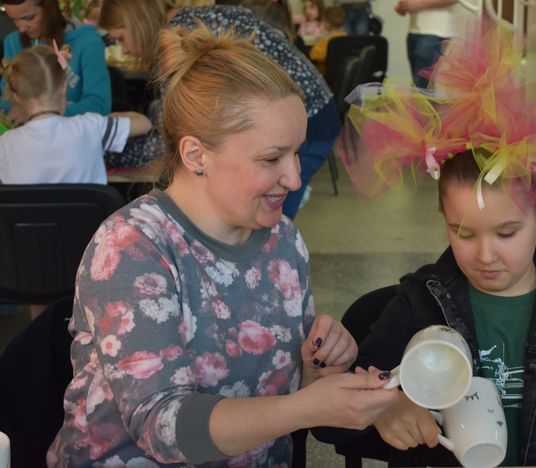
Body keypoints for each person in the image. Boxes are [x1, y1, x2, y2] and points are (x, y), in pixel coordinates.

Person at [318, 23, 536, 466]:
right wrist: (385, 409)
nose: (485, 256)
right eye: (463, 233)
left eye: (506, 233)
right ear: (443, 218)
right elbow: (328, 427)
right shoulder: (418, 303)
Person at [47, 26, 398, 467]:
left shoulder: (283, 240)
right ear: (196, 155)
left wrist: (315, 368)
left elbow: (279, 401)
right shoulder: (132, 248)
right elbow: (162, 429)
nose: (294, 178)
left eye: (297, 153)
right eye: (271, 158)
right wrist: (307, 407)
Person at [99, 0, 340, 219]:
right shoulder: (201, 18)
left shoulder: (180, 39)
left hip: (307, 119)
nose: (125, 49)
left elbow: (172, 136)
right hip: (310, 112)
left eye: (121, 38)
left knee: (267, 219)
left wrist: (103, 147)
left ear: (136, 22)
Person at [0, 44, 151, 321]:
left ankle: (42, 337)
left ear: (17, 96)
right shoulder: (89, 127)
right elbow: (143, 123)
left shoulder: (5, 144)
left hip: (27, 269)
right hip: (92, 262)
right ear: (63, 89)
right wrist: (105, 118)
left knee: (40, 299)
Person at [0, 0, 111, 122]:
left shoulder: (88, 42)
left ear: (49, 9)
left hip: (74, 130)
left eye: (29, 18)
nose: (21, 28)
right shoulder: (12, 42)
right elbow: (6, 98)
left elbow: (99, 105)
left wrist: (37, 113)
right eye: (14, 20)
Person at [394, 0, 473, 87]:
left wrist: (419, 3)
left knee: (421, 85)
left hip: (435, 31)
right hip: (415, 30)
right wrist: (404, 6)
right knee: (419, 84)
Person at [309, 6, 346, 76]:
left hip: (324, 75)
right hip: (343, 74)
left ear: (327, 24)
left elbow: (313, 55)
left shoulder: (326, 40)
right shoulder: (347, 37)